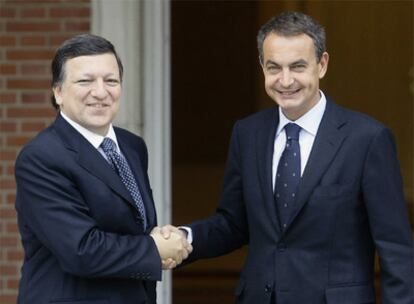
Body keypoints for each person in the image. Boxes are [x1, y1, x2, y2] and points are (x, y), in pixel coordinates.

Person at [162, 11, 414, 304]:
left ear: (322, 65)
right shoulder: (248, 133)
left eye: (297, 67)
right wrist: (185, 237)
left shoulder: (367, 139)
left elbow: (395, 249)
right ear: (262, 66)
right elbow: (234, 224)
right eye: (274, 67)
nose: (285, 80)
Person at [14, 34, 191, 304]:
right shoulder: (41, 157)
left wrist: (160, 240)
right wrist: (153, 248)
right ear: (58, 92)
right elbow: (81, 250)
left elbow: (132, 226)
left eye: (111, 81)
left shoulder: (132, 146)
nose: (100, 92)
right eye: (85, 81)